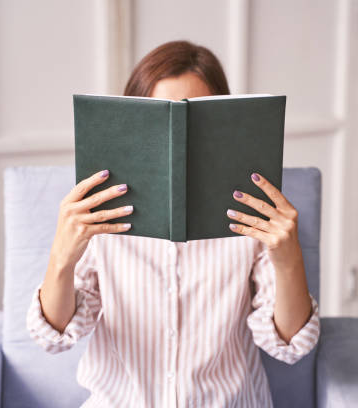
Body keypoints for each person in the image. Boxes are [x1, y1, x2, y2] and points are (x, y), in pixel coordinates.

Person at [26, 40, 320, 408]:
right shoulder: (102, 216)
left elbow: (291, 345)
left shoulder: (252, 218)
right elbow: (53, 338)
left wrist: (289, 256)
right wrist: (61, 258)